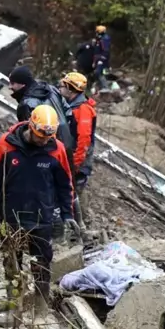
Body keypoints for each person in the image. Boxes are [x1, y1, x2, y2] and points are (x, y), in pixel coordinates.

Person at [0, 105, 78, 323]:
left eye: (48, 136)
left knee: (41, 264)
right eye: (40, 136)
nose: (43, 141)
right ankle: (13, 312)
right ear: (31, 125)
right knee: (11, 264)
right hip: (11, 215)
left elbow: (65, 184)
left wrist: (67, 213)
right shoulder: (7, 145)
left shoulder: (56, 149)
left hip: (41, 217)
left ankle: (40, 312)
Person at [58, 72, 97, 230]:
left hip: (78, 160)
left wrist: (75, 163)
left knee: (76, 191)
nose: (60, 88)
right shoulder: (71, 106)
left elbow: (84, 139)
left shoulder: (83, 109)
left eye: (63, 86)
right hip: (71, 157)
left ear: (71, 89)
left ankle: (83, 226)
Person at [93, 25, 111, 90]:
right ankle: (102, 87)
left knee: (99, 72)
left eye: (97, 31)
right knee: (103, 72)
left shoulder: (104, 39)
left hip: (102, 59)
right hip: (101, 58)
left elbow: (105, 50)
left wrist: (102, 58)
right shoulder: (100, 39)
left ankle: (105, 87)